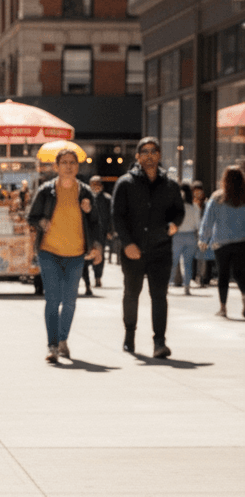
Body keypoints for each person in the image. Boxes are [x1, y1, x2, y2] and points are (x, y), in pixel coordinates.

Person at [28, 147, 103, 363]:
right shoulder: (46, 191)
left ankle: (62, 340)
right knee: (53, 299)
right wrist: (42, 221)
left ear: (77, 167)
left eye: (72, 163)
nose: (69, 166)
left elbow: (96, 222)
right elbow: (32, 216)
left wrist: (95, 244)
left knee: (70, 301)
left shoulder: (86, 192)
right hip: (49, 251)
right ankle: (52, 345)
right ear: (56, 167)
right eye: (64, 163)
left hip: (76, 253)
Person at [111, 137, 185, 358]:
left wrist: (174, 224)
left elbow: (179, 211)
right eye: (145, 151)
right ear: (137, 156)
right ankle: (129, 335)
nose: (149, 155)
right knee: (131, 294)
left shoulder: (170, 185)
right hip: (133, 250)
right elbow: (117, 217)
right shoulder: (125, 183)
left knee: (159, 296)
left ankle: (159, 342)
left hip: (160, 249)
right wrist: (126, 243)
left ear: (159, 155)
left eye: (154, 151)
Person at [198, 164, 245, 318]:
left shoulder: (217, 198)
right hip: (242, 242)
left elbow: (208, 219)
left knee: (223, 275)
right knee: (240, 274)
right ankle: (244, 297)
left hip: (221, 243)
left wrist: (204, 238)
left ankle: (223, 308)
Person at [80, 174, 112, 293]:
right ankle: (87, 283)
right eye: (93, 184)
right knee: (85, 257)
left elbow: (111, 216)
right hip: (86, 231)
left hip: (101, 232)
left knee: (99, 255)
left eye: (97, 184)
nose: (95, 187)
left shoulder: (107, 199)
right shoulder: (84, 197)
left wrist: (110, 231)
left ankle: (98, 277)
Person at [170, 182, 201, 295]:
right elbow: (198, 224)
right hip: (191, 236)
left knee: (173, 262)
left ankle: (168, 284)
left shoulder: (175, 207)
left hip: (177, 236)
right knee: (188, 263)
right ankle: (187, 287)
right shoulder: (195, 207)